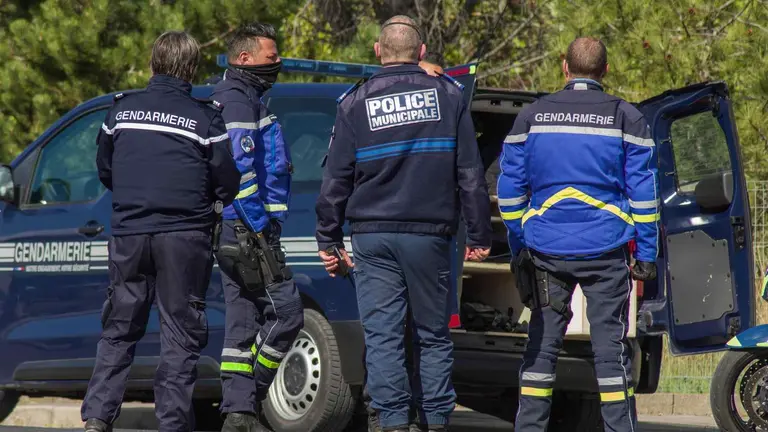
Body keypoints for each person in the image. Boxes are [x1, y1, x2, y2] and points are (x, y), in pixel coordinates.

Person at [315, 15, 492, 432]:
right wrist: (480, 233)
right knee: (432, 334)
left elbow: (336, 178)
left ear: (378, 51)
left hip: (372, 236)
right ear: (423, 53)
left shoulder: (354, 101)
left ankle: (393, 423)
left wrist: (328, 238)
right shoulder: (449, 96)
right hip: (429, 235)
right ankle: (433, 420)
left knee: (383, 336)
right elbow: (470, 172)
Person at [81, 31, 241, 432]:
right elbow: (227, 181)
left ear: (154, 63)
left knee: (118, 329)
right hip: (184, 239)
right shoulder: (205, 117)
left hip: (130, 235)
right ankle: (171, 425)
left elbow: (106, 169)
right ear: (191, 69)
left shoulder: (120, 112)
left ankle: (98, 419)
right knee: (180, 337)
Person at [498, 37, 659, 432]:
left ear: (564, 68)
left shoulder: (531, 117)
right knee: (610, 354)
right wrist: (647, 255)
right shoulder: (627, 118)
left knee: (541, 348)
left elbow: (508, 193)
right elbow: (645, 197)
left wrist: (521, 244)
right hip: (606, 253)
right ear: (605, 71)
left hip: (545, 252)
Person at [210, 22, 303, 432]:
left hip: (241, 228)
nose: (278, 62)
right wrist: (261, 229)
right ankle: (249, 396)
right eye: (272, 56)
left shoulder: (246, 96)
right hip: (248, 230)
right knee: (288, 313)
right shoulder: (237, 101)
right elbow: (241, 174)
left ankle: (238, 414)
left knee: (241, 325)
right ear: (244, 58)